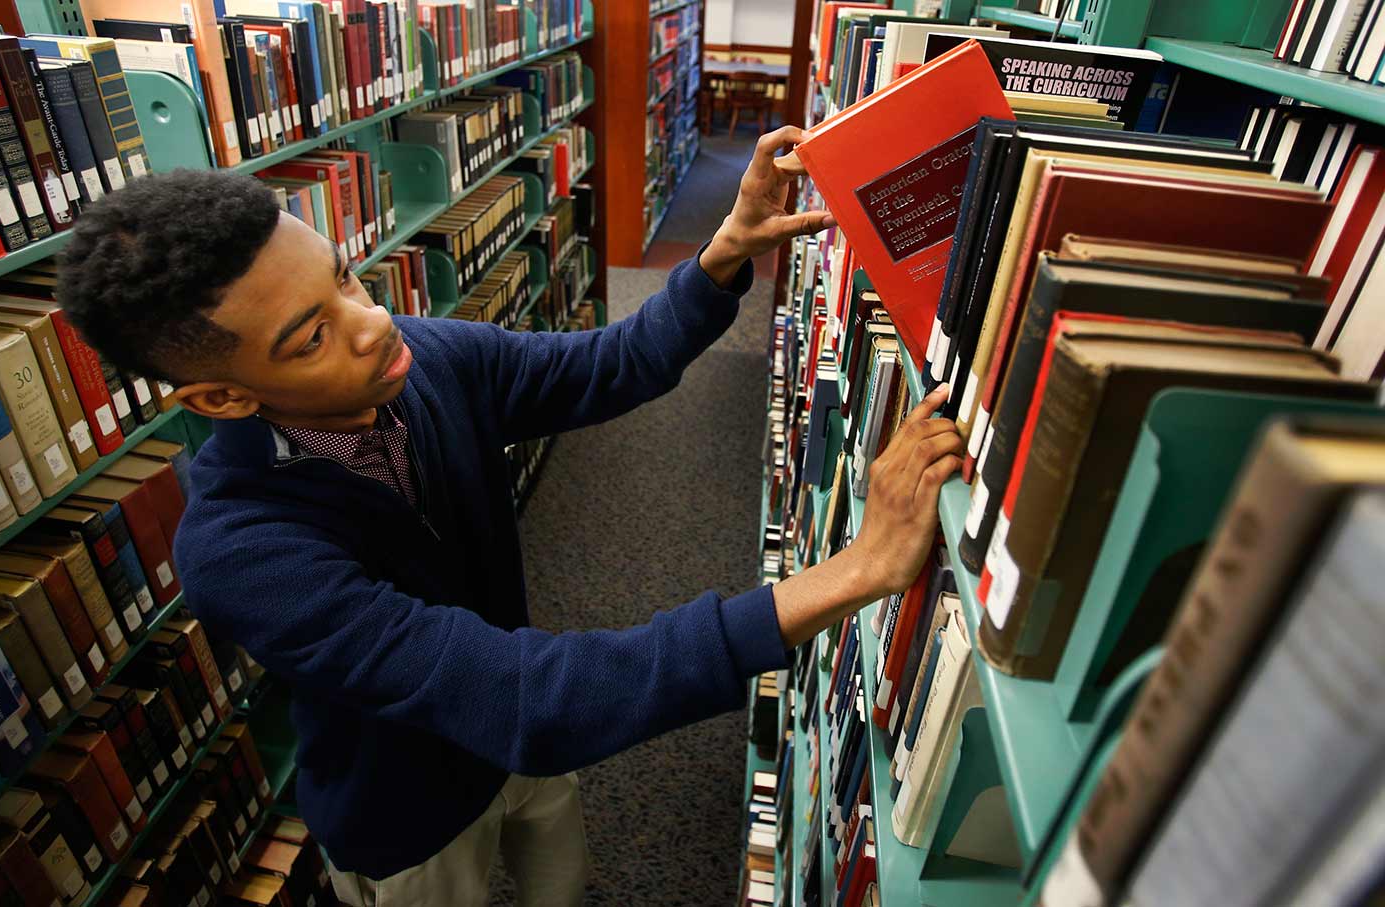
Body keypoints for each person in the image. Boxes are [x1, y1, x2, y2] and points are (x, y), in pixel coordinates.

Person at [56, 126, 963, 906]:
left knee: (557, 881)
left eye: (347, 281)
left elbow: (608, 365)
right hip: (406, 810)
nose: (373, 323)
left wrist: (724, 251)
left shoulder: (427, 358)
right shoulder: (241, 550)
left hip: (521, 751)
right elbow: (524, 696)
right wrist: (854, 572)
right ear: (220, 397)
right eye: (313, 335)